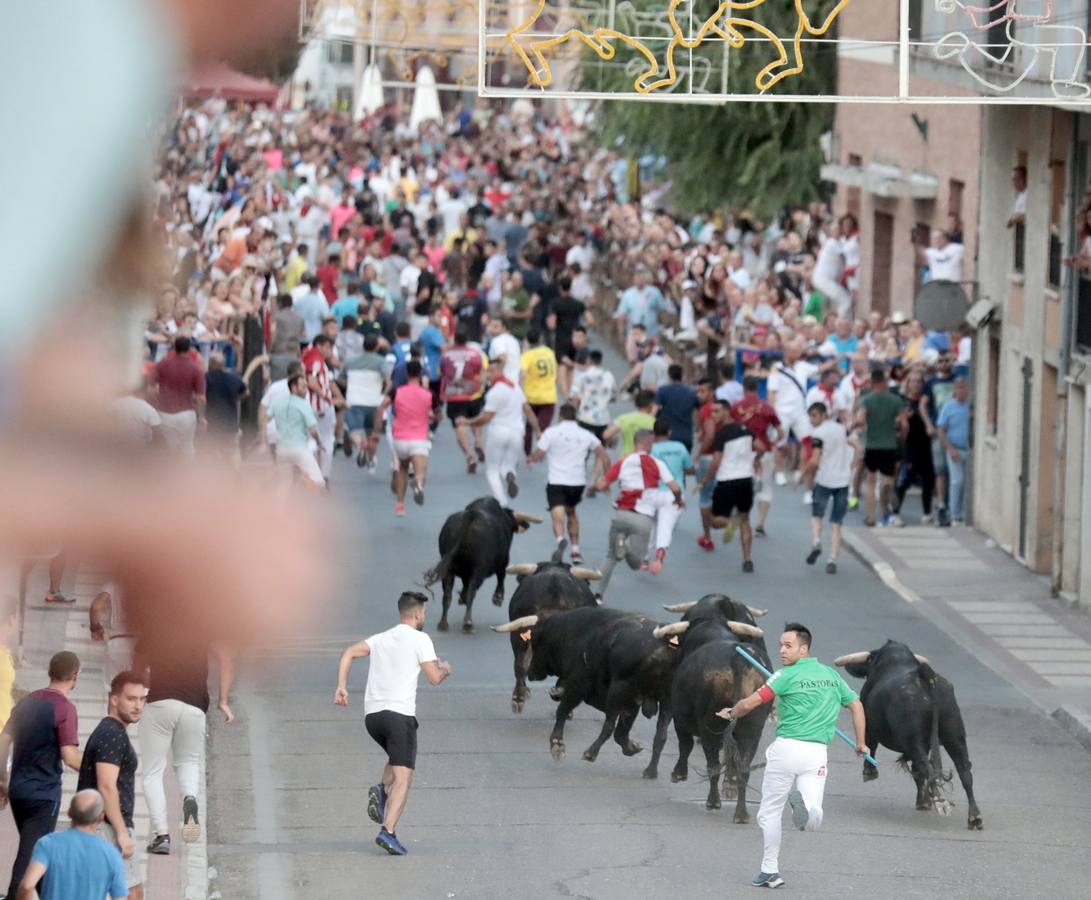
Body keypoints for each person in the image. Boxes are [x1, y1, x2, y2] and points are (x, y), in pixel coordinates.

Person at [717, 624, 867, 891]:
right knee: (812, 816)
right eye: (781, 645)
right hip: (817, 754)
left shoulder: (784, 675)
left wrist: (731, 713)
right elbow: (856, 705)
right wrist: (861, 743)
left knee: (769, 812)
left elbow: (751, 702)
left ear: (804, 648)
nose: (782, 651)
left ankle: (770, 870)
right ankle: (807, 810)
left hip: (787, 750)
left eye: (788, 646)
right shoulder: (832, 676)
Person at [334, 591, 452, 856]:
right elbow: (433, 677)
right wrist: (445, 669)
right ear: (418, 613)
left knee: (396, 761)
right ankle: (388, 832)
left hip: (373, 717)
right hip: (399, 716)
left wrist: (341, 687)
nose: (424, 617)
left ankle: (379, 789)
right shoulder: (421, 639)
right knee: (404, 778)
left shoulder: (381, 638)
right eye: (424, 613)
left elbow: (349, 653)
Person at [136, 637, 234, 857]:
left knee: (153, 772)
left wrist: (137, 694)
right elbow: (226, 659)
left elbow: (138, 665)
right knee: (188, 762)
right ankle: (190, 797)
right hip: (194, 706)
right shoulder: (202, 622)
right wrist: (223, 701)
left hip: (159, 702)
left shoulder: (152, 623)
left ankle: (162, 835)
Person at [0, 651, 82, 897]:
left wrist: (2, 780)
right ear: (75, 676)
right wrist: (97, 765)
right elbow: (69, 756)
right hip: (44, 794)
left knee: (39, 851)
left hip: (18, 790)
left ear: (50, 672)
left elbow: (3, 742)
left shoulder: (26, 702)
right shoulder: (65, 708)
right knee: (31, 856)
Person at [77, 671, 147, 899]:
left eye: (142, 699)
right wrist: (121, 832)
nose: (138, 705)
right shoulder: (112, 734)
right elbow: (106, 785)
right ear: (113, 699)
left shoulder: (110, 731)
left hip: (97, 825)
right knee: (131, 892)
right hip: (106, 826)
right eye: (131, 698)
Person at [594, 429, 684, 594]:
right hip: (642, 518)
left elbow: (600, 485)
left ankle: (598, 595)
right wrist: (678, 500)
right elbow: (675, 488)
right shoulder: (657, 463)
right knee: (636, 564)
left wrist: (606, 487)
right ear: (649, 443)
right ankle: (626, 548)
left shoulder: (623, 461)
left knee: (611, 557)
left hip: (620, 515)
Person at [530, 403, 611, 564]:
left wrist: (533, 456)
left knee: (557, 514)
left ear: (560, 416)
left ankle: (560, 540)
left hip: (557, 480)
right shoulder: (586, 434)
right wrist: (606, 481)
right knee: (571, 513)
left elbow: (538, 455)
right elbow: (605, 457)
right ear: (576, 417)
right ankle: (576, 550)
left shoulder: (551, 433)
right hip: (577, 482)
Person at [17, 790, 128, 900]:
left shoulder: (48, 844)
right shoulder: (111, 854)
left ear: (69, 812)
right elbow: (120, 897)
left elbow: (27, 886)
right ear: (100, 817)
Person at [460, 357, 540, 507]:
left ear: (497, 371)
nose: (488, 374)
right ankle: (510, 475)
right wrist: (537, 431)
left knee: (492, 470)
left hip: (498, 431)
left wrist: (467, 422)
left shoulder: (495, 391)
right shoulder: (515, 387)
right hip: (517, 432)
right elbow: (528, 410)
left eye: (490, 371)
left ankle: (502, 502)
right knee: (509, 466)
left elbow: (486, 417)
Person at [700, 399, 758, 571]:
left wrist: (705, 479)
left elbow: (716, 461)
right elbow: (760, 447)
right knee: (745, 519)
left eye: (717, 411)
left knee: (715, 521)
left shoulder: (722, 433)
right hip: (746, 480)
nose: (713, 416)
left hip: (727, 480)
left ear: (727, 411)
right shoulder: (746, 430)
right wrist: (756, 460)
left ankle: (732, 520)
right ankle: (747, 559)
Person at [801, 402, 859, 574]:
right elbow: (857, 446)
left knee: (817, 515)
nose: (811, 420)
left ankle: (817, 541)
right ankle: (832, 558)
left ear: (823, 415)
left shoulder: (818, 433)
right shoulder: (841, 428)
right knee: (836, 523)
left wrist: (802, 475)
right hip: (842, 480)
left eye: (814, 416)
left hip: (825, 479)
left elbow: (815, 460)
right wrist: (852, 464)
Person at [373, 359, 434, 515]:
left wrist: (376, 430)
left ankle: (400, 504)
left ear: (407, 373)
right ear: (420, 374)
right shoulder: (428, 394)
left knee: (402, 468)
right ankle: (418, 484)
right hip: (419, 439)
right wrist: (430, 417)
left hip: (400, 438)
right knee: (421, 471)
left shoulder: (397, 391)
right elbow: (437, 414)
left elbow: (381, 408)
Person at [731, 375, 785, 537]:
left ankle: (740, 517)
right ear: (757, 388)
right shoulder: (767, 407)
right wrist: (774, 441)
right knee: (766, 487)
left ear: (744, 388)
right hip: (764, 450)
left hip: (742, 450)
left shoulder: (736, 407)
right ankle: (760, 523)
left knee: (740, 483)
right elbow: (781, 431)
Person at [856, 368, 905, 527]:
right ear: (884, 382)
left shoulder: (867, 400)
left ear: (872, 382)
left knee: (871, 481)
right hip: (889, 445)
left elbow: (861, 419)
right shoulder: (895, 400)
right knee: (888, 476)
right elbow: (904, 424)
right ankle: (888, 486)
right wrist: (901, 437)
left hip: (872, 444)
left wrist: (861, 428)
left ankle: (871, 517)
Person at [648, 418, 694, 575]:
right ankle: (660, 553)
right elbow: (689, 468)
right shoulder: (680, 447)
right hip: (674, 491)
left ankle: (643, 557)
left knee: (652, 524)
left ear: (653, 434)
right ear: (669, 432)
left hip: (654, 492)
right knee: (665, 525)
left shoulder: (651, 449)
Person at [441, 325, 488, 472]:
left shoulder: (446, 355)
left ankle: (469, 456)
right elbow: (482, 374)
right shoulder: (475, 354)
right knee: (475, 419)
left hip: (455, 395)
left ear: (454, 339)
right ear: (466, 340)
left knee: (460, 424)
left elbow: (440, 372)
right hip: (473, 394)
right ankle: (479, 442)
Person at [150, 335, 205, 456]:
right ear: (189, 349)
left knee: (169, 450)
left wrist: (155, 404)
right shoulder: (195, 369)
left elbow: (151, 388)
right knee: (188, 447)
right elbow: (201, 397)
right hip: (187, 412)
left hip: (165, 412)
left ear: (175, 347)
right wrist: (201, 417)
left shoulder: (161, 365)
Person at [268, 373, 325, 492]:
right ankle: (302, 476)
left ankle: (279, 510)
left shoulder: (278, 402)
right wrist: (319, 442)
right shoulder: (303, 405)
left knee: (283, 485)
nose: (306, 391)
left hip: (282, 449)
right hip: (299, 449)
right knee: (319, 481)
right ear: (294, 387)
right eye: (303, 387)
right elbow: (313, 429)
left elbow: (265, 418)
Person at [342, 332, 389, 472]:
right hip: (374, 402)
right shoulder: (381, 361)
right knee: (372, 433)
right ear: (376, 347)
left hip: (354, 401)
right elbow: (388, 379)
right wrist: (384, 393)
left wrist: (350, 386)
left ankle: (360, 445)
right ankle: (371, 460)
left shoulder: (350, 361)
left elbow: (341, 378)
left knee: (354, 430)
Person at [302, 334, 339, 484]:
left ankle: (312, 475)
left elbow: (327, 382)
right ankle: (322, 476)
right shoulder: (316, 360)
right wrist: (325, 397)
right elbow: (312, 381)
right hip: (319, 406)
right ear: (320, 345)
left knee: (311, 438)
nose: (330, 351)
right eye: (328, 347)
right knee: (326, 440)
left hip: (312, 405)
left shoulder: (308, 356)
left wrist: (339, 397)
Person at [89, 582, 137, 689]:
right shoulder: (149, 583)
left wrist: (95, 628)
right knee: (138, 692)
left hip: (117, 643)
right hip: (139, 645)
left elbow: (95, 607)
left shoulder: (113, 583)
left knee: (114, 690)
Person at [936, 378, 971, 525]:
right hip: (954, 448)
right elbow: (941, 430)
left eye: (964, 388)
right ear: (955, 390)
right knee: (957, 481)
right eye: (959, 388)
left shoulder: (970, 408)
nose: (962, 391)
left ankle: (963, 513)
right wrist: (950, 449)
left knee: (967, 483)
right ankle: (954, 513)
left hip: (968, 449)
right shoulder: (948, 407)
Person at [520, 328, 558, 458]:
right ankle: (541, 450)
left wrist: (521, 390)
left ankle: (527, 452)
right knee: (543, 427)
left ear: (527, 340)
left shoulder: (527, 356)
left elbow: (523, 374)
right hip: (548, 395)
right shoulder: (549, 352)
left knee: (529, 425)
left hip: (531, 396)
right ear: (540, 339)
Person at [203, 352, 247, 456]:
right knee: (232, 452)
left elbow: (200, 396)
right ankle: (234, 471)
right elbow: (245, 392)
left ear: (211, 364)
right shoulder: (233, 378)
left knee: (213, 453)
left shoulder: (206, 378)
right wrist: (237, 398)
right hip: (230, 423)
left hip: (213, 423)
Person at [654, 364, 698, 451]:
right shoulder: (691, 392)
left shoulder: (662, 391)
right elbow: (697, 410)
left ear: (669, 375)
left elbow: (655, 410)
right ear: (682, 375)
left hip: (667, 435)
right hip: (686, 436)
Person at [603, 389, 657, 457]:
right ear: (651, 404)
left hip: (626, 458)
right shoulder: (654, 421)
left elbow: (606, 435)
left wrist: (612, 443)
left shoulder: (624, 418)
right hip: (646, 459)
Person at [486, 315, 522, 383]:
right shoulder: (514, 340)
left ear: (504, 328)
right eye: (491, 325)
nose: (492, 328)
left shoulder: (498, 340)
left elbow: (503, 357)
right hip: (515, 381)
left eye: (496, 326)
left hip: (503, 382)